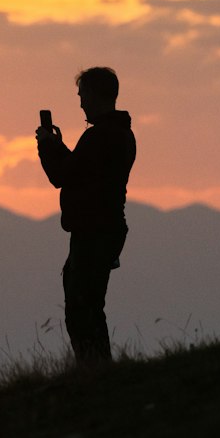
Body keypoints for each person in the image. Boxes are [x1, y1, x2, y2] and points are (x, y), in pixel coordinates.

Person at [36, 67, 136, 364]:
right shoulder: (121, 134)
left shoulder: (98, 137)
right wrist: (60, 148)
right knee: (91, 305)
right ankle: (97, 370)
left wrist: (46, 149)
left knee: (82, 309)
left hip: (93, 233)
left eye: (83, 96)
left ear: (95, 95)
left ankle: (94, 370)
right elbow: (80, 169)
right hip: (107, 229)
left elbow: (62, 175)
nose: (81, 104)